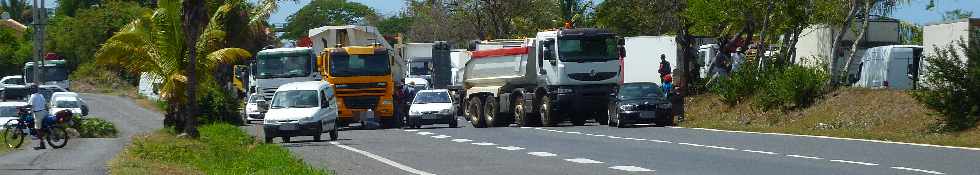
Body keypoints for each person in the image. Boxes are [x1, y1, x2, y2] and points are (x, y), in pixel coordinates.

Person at [26, 85, 47, 150]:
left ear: (32, 90)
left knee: (37, 129)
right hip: (44, 112)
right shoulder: (41, 95)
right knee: (41, 127)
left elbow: (30, 105)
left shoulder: (33, 96)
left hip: (38, 114)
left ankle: (42, 143)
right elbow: (44, 104)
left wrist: (22, 107)